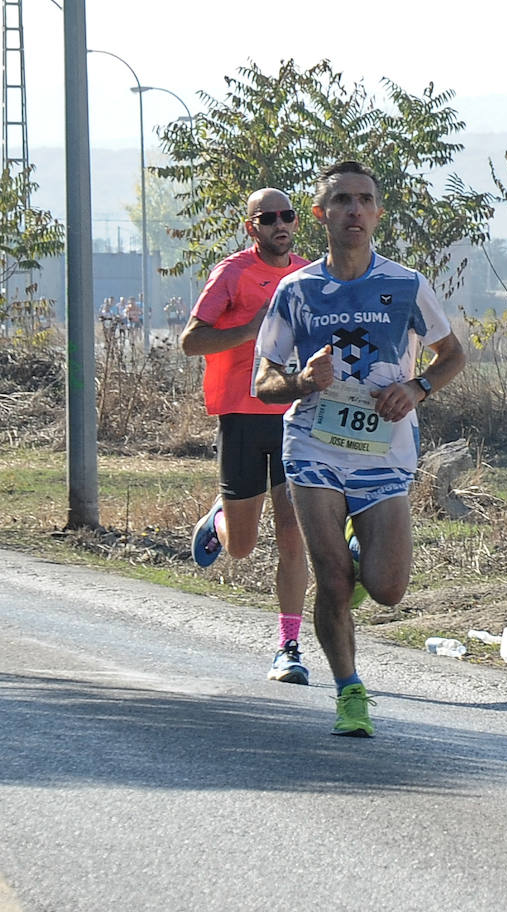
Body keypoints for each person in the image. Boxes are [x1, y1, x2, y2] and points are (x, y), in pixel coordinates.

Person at [254, 160, 466, 737]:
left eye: (364, 200)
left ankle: (355, 538)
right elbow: (263, 381)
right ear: (320, 215)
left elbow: (453, 356)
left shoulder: (406, 284)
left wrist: (417, 387)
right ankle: (350, 691)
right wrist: (303, 381)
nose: (354, 210)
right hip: (313, 445)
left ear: (377, 213)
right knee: (333, 578)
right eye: (342, 200)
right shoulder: (295, 291)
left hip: (382, 453)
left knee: (389, 589)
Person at [181, 188, 312, 685]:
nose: (280, 224)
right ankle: (219, 522)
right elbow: (192, 340)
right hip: (240, 415)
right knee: (241, 547)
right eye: (268, 217)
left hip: (293, 414)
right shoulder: (232, 273)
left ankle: (289, 646)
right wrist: (252, 329)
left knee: (291, 534)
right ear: (250, 226)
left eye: (287, 216)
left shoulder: (307, 276)